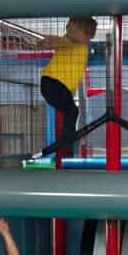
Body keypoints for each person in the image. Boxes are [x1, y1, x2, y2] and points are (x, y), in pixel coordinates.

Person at [34, 16, 95, 160]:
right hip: (53, 83)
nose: (68, 31)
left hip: (58, 86)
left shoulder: (82, 45)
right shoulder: (70, 42)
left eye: (73, 29)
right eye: (68, 28)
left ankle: (67, 142)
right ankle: (66, 143)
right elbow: (59, 41)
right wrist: (46, 42)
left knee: (71, 112)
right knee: (72, 111)